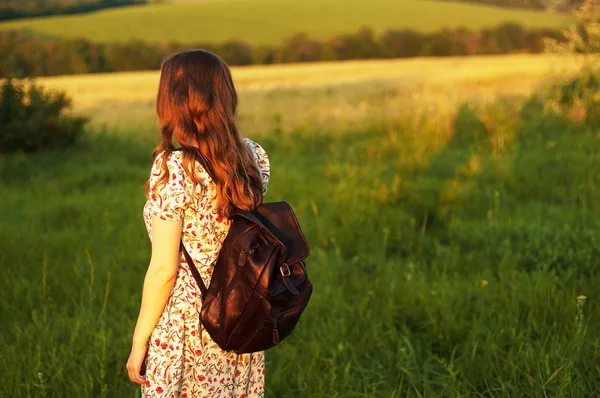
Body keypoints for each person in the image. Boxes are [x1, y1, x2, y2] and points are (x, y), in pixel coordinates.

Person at [126, 49, 270, 397]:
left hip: (187, 324)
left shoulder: (174, 169)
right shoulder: (252, 158)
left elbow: (165, 270)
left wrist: (139, 339)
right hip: (237, 314)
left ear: (174, 101)